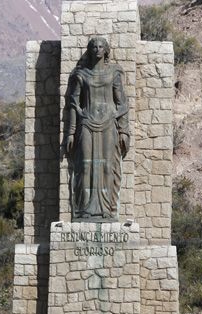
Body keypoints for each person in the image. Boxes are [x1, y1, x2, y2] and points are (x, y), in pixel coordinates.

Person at [63, 36, 130, 221]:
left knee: (108, 166)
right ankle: (84, 209)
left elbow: (122, 102)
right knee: (84, 166)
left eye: (101, 47)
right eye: (94, 47)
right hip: (86, 123)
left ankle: (107, 209)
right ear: (90, 50)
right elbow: (73, 104)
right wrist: (70, 132)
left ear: (106, 50)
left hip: (108, 123)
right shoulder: (80, 74)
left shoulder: (114, 73)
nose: (97, 50)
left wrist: (124, 130)